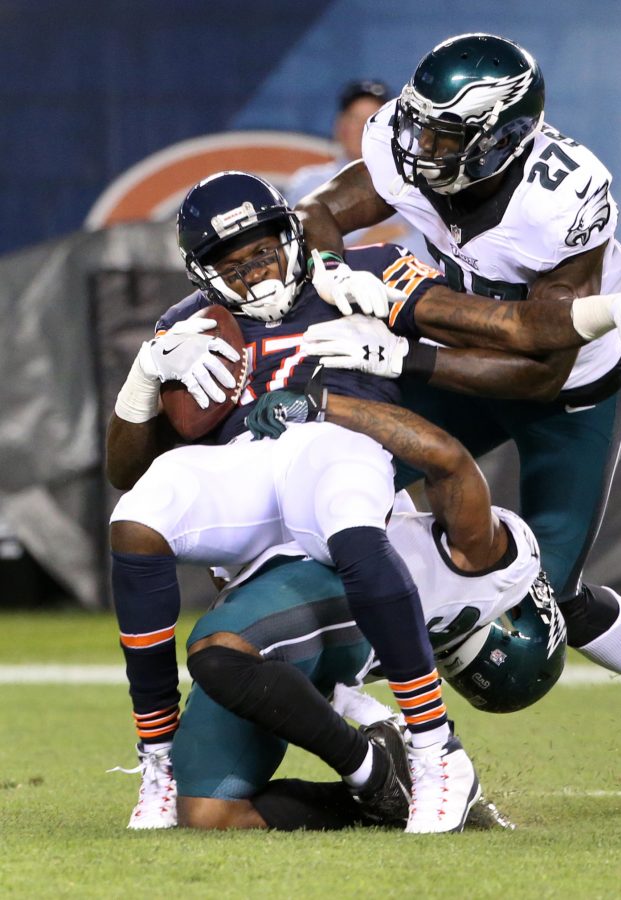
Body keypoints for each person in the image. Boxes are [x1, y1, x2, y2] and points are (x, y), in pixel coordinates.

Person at [294, 32, 621, 799]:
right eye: (418, 125)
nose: (418, 146)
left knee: (527, 611)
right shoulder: (407, 146)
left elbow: (537, 365)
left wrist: (406, 346)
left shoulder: (561, 200)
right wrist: (330, 272)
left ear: (503, 139)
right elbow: (321, 210)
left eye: (444, 134)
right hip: (450, 344)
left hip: (567, 386)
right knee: (337, 473)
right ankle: (342, 679)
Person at [106, 169, 496, 833]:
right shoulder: (192, 324)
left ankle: (435, 751)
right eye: (234, 264)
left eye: (262, 251)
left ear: (289, 233)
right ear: (203, 273)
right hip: (250, 477)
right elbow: (122, 469)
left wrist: (401, 331)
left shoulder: (363, 272)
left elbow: (488, 336)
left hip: (336, 443)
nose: (256, 273)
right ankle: (159, 757)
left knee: (345, 511)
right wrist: (145, 375)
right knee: (135, 519)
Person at [173, 389, 564, 832]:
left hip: (310, 599)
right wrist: (321, 405)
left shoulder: (467, 593)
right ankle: (388, 787)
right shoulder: (489, 568)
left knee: (222, 657)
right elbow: (447, 460)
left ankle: (379, 781)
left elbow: (449, 459)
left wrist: (321, 403)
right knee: (207, 812)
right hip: (312, 587)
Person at [286, 79, 431, 260]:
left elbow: (431, 247)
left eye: (371, 119)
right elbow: (307, 253)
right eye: (354, 119)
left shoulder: (413, 181)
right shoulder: (309, 182)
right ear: (340, 125)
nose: (362, 128)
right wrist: (378, 238)